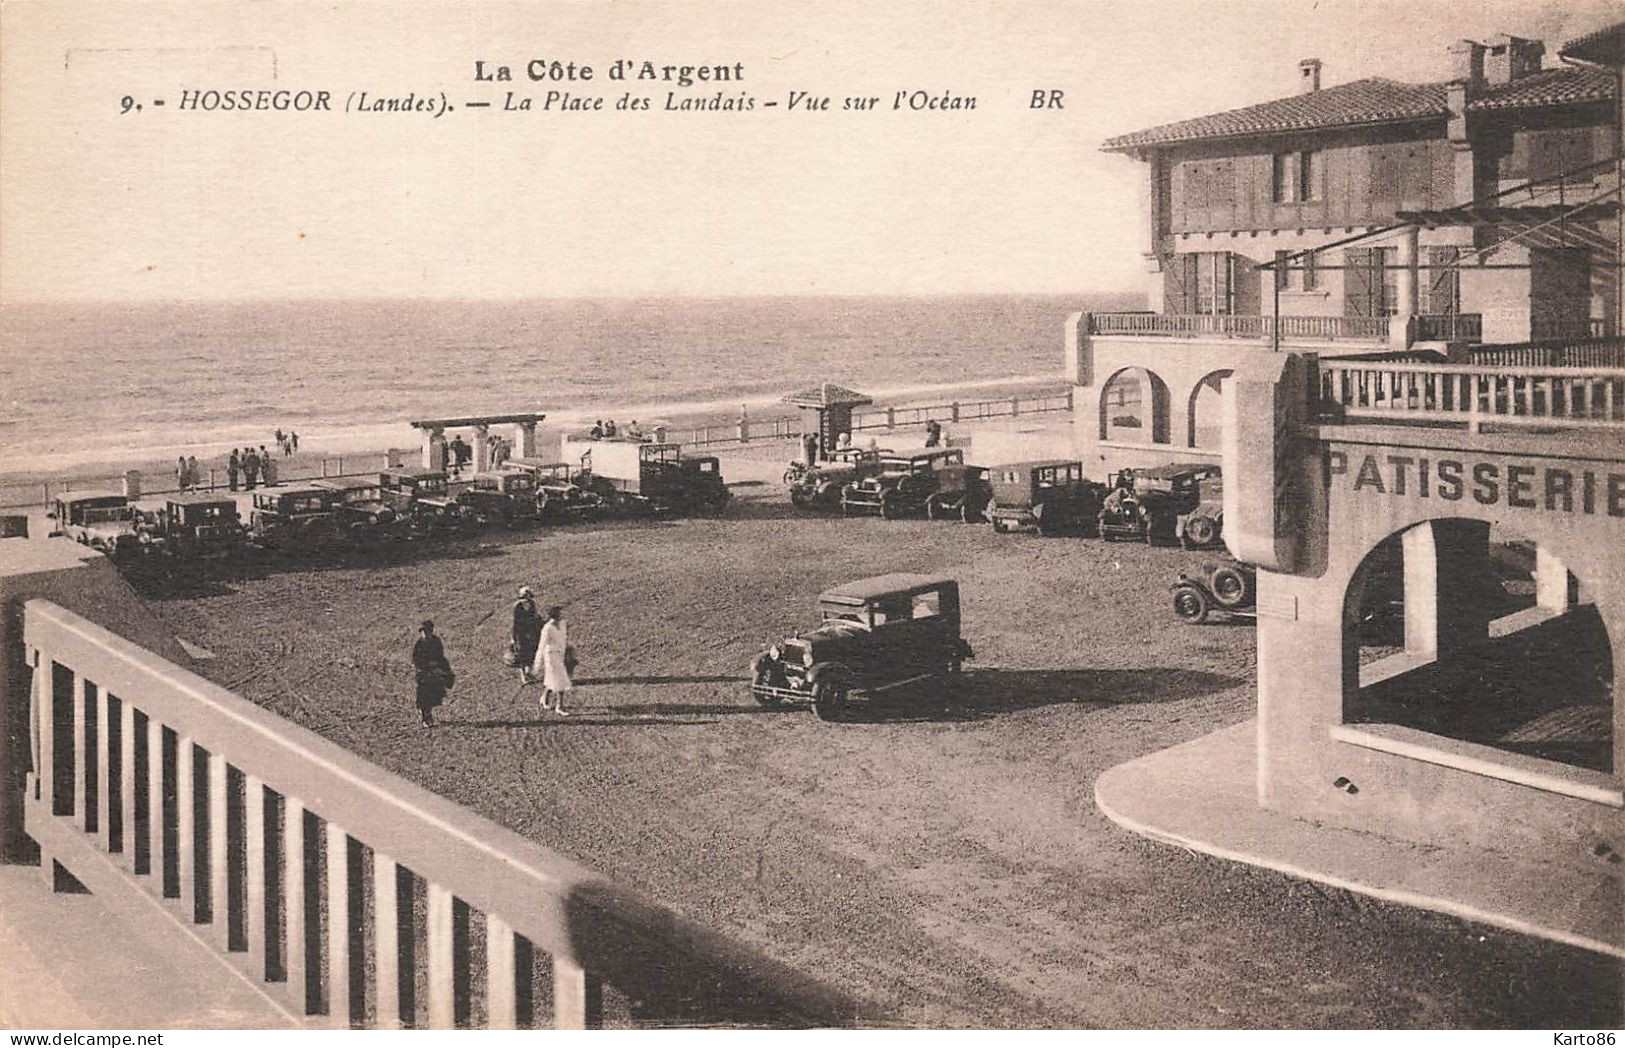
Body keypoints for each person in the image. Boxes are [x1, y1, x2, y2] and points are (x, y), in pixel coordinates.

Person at [412, 620, 453, 727]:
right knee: (424, 696)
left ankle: (428, 715)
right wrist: (427, 666)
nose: (425, 633)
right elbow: (416, 660)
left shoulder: (436, 642)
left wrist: (442, 669)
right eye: (423, 631)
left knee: (433, 695)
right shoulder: (419, 644)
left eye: (427, 631)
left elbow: (440, 656)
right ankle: (425, 718)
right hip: (424, 674)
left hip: (434, 673)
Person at [532, 606, 573, 715]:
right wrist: (537, 665)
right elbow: (541, 646)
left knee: (552, 679)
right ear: (554, 615)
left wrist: (567, 651)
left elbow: (564, 638)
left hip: (560, 654)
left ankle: (544, 698)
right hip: (550, 656)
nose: (562, 615)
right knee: (560, 679)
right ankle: (560, 706)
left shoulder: (563, 624)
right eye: (560, 613)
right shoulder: (547, 628)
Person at [511, 586, 542, 684]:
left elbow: (535, 616)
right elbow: (515, 622)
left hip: (531, 632)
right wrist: (513, 637)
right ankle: (523, 675)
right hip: (521, 633)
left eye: (528, 595)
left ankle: (529, 674)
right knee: (521, 654)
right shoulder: (517, 606)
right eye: (525, 596)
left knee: (532, 652)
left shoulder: (532, 604)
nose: (527, 598)